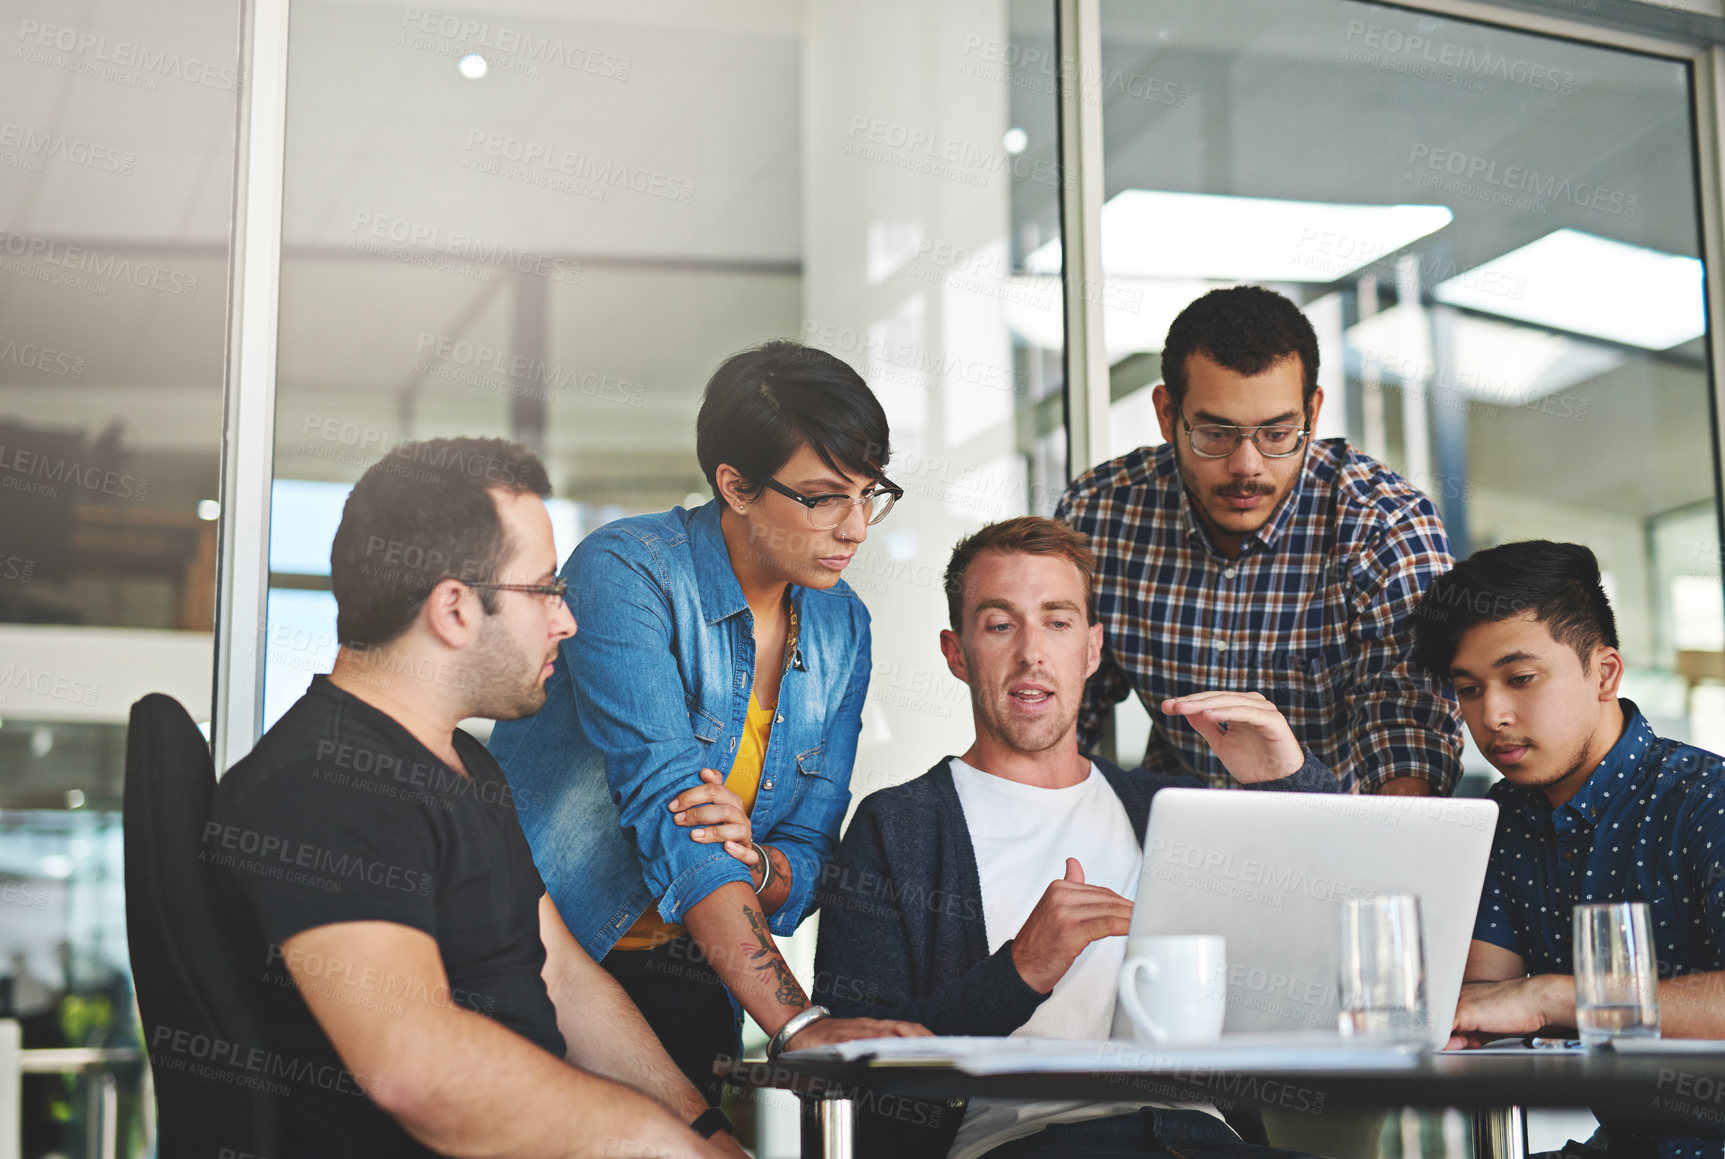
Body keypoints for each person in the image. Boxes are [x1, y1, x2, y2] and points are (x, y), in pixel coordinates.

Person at [212, 437, 743, 1158]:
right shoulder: (324, 788)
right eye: (546, 589)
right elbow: (418, 1072)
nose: (567, 620)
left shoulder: (464, 765)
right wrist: (660, 1146)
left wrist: (705, 1133)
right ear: (455, 609)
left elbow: (562, 976)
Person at [813, 516, 1339, 1159]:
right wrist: (1022, 970)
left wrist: (1286, 780)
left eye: (1057, 622)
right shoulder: (898, 827)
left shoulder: (1168, 812)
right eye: (1000, 624)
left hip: (1209, 1140)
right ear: (956, 653)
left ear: (1091, 650)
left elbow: (1335, 965)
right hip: (1026, 1144)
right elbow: (853, 1070)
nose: (1032, 653)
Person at [489, 341, 926, 1106]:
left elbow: (812, 851)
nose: (855, 527)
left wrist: (758, 864)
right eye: (824, 496)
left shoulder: (840, 625)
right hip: (546, 962)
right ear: (735, 485)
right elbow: (676, 816)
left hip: (696, 971)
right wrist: (797, 1023)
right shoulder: (628, 571)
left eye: (869, 493)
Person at [1055, 284, 1461, 796]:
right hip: (1174, 829)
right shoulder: (1100, 514)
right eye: (1215, 433)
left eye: (1276, 434)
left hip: (1342, 831)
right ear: (1166, 415)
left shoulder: (1383, 526)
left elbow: (1409, 750)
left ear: (1312, 413)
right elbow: (1063, 710)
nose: (1247, 467)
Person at [1416, 540, 1725, 1153]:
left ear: (1604, 673)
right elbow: (1480, 1004)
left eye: (1520, 679)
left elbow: (1524, 1001)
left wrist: (1554, 995)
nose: (1493, 714)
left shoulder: (1706, 800)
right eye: (1469, 689)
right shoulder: (1499, 820)